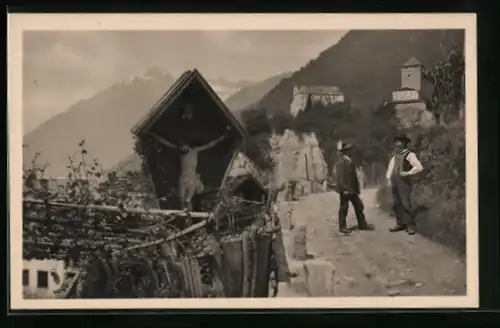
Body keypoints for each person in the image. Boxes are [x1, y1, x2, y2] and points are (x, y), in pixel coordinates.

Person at [148, 128, 229, 211]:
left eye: (184, 146)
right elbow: (165, 142)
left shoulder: (195, 151)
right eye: (181, 147)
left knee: (188, 199)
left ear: (188, 145)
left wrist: (220, 138)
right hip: (182, 179)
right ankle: (184, 217)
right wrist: (154, 135)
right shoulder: (180, 152)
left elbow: (209, 145)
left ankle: (190, 215)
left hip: (191, 179)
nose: (182, 148)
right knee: (182, 201)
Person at [386, 135, 424, 235]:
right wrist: (389, 179)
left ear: (404, 143)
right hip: (395, 181)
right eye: (396, 141)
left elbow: (419, 167)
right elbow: (390, 168)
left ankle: (410, 226)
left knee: (405, 203)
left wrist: (408, 173)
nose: (397, 143)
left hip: (403, 181)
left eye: (399, 141)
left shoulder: (410, 154)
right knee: (396, 203)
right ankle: (400, 224)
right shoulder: (395, 155)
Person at [334, 142, 374, 234]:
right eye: (350, 149)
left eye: (352, 149)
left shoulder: (350, 161)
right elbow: (340, 177)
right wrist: (344, 189)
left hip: (352, 190)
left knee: (359, 206)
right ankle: (342, 227)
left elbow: (353, 177)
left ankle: (362, 224)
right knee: (344, 207)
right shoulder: (341, 162)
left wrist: (357, 189)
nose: (352, 151)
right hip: (346, 190)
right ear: (346, 151)